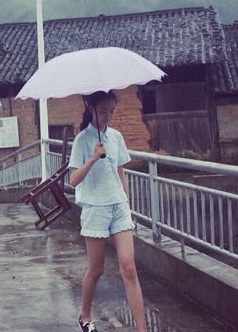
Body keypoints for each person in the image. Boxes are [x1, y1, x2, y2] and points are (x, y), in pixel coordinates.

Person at [68, 90, 147, 332]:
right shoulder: (82, 140)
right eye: (103, 111)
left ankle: (142, 329)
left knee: (129, 268)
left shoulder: (116, 137)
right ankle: (85, 315)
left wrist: (127, 202)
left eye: (111, 111)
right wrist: (93, 158)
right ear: (91, 109)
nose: (108, 116)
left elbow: (120, 172)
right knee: (96, 269)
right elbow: (73, 180)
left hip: (118, 206)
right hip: (95, 208)